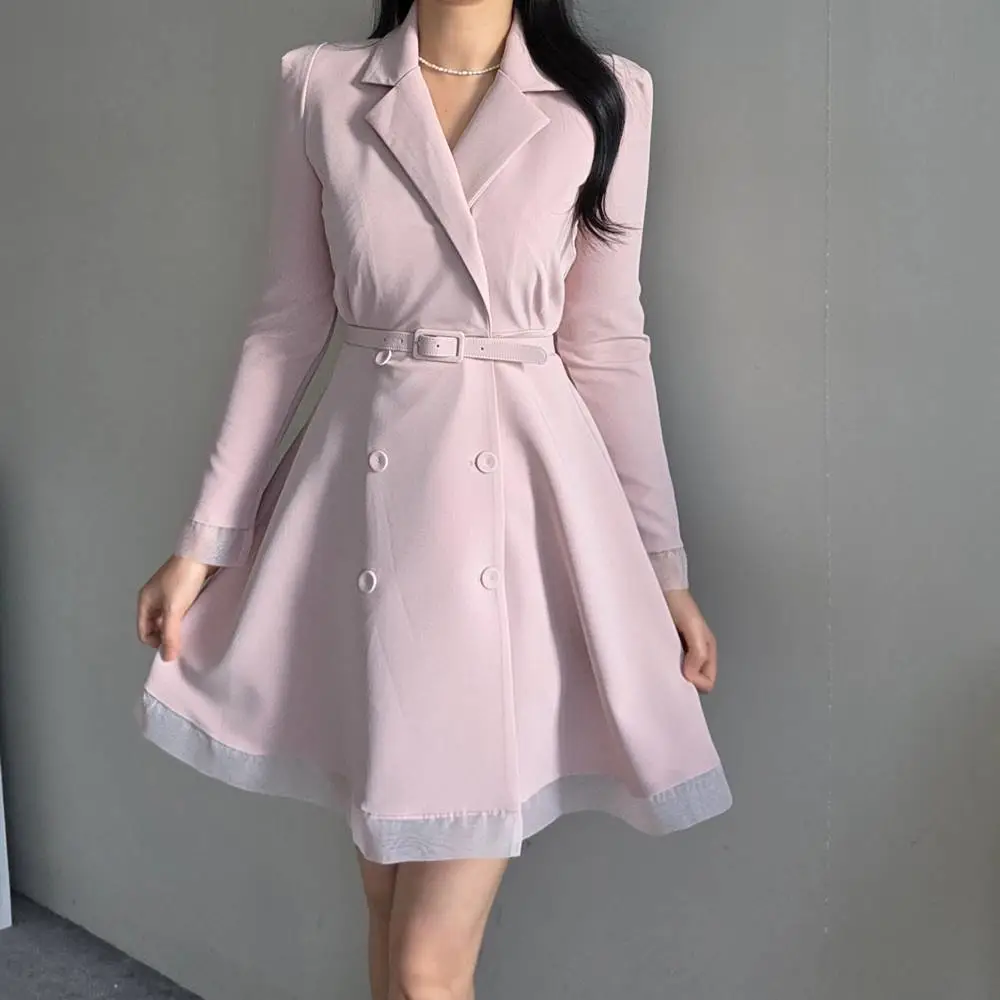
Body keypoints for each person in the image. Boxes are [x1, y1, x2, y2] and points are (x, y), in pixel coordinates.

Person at [135, 1, 732, 996]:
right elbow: (286, 323)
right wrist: (204, 542)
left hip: (524, 517)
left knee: (424, 965)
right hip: (363, 516)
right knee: (382, 903)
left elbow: (606, 344)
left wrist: (660, 568)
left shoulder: (609, 97)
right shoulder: (319, 84)